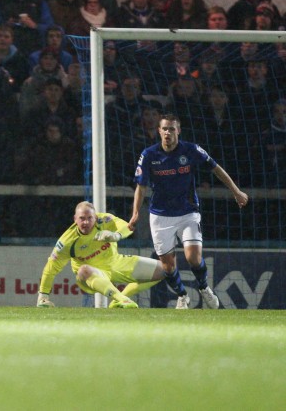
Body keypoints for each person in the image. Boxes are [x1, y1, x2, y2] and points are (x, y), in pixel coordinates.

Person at [129, 114, 249, 309]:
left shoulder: (191, 150)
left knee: (193, 258)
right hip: (159, 216)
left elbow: (216, 168)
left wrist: (236, 192)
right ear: (159, 131)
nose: (168, 132)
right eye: (165, 129)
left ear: (179, 131)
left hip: (188, 213)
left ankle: (203, 287)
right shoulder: (149, 155)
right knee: (168, 267)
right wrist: (135, 214)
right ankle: (182, 295)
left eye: (172, 129)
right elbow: (140, 187)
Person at [36, 201, 165, 309]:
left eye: (89, 218)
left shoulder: (105, 220)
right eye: (81, 218)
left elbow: (127, 227)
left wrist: (115, 235)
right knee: (83, 270)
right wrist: (43, 296)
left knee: (165, 269)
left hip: (117, 263)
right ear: (75, 219)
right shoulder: (67, 241)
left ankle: (119, 298)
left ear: (96, 217)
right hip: (92, 274)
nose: (85, 222)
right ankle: (121, 299)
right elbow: (51, 269)